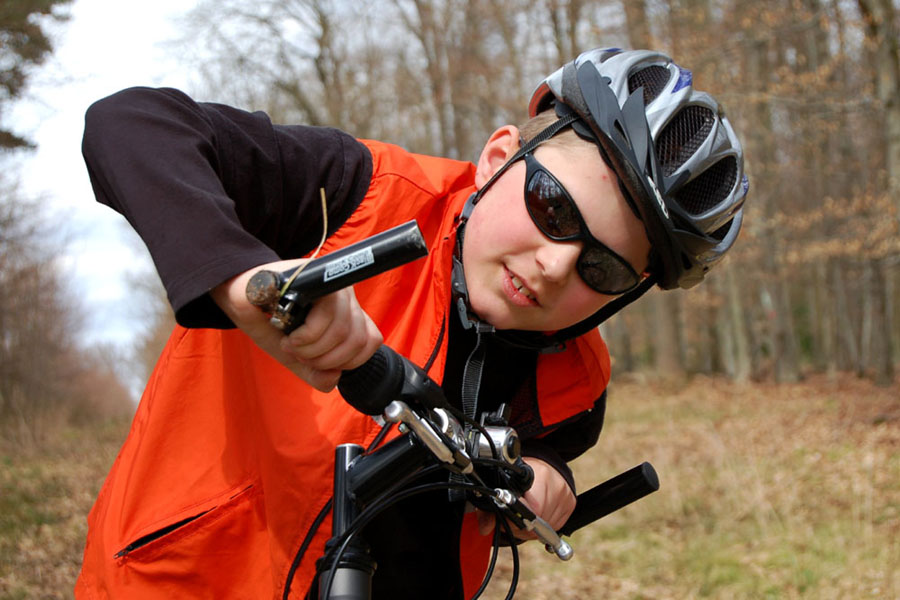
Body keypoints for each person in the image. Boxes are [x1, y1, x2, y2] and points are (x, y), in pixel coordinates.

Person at [75, 48, 747, 599]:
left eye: (601, 270)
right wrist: (243, 281)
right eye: (554, 208)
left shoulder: (578, 381)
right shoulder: (355, 196)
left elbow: (546, 454)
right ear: (497, 158)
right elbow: (131, 124)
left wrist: (548, 480)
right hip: (180, 581)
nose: (553, 265)